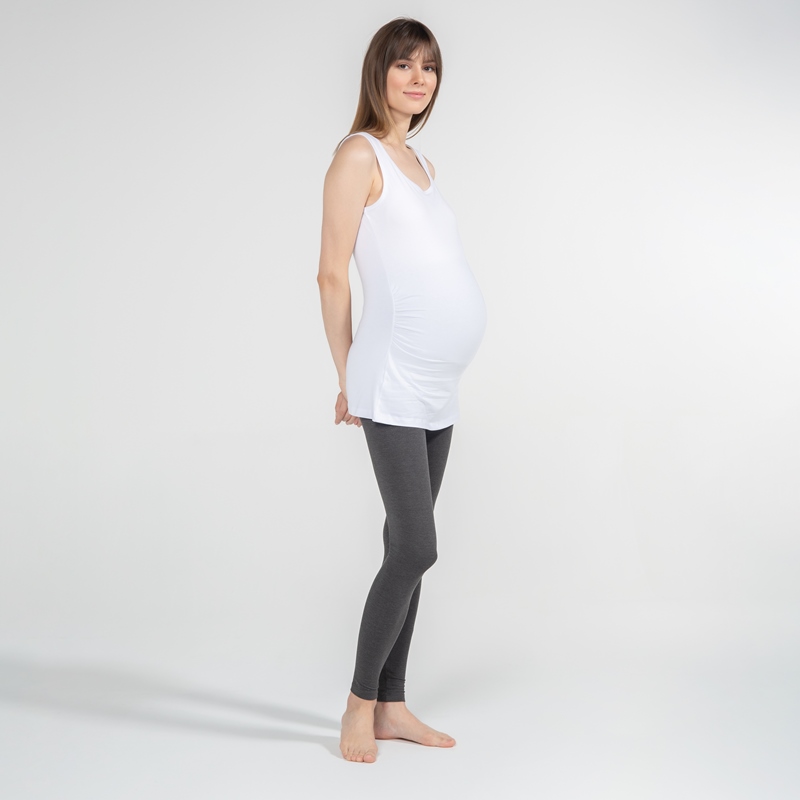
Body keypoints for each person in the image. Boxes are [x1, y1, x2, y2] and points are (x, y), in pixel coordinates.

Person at [316, 17, 487, 763]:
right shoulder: (358, 154)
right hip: (389, 378)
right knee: (417, 547)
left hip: (438, 386)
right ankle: (359, 705)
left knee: (403, 545)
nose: (419, 79)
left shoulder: (419, 161)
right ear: (378, 73)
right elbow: (331, 273)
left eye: (430, 67)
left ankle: (392, 704)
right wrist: (346, 375)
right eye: (404, 65)